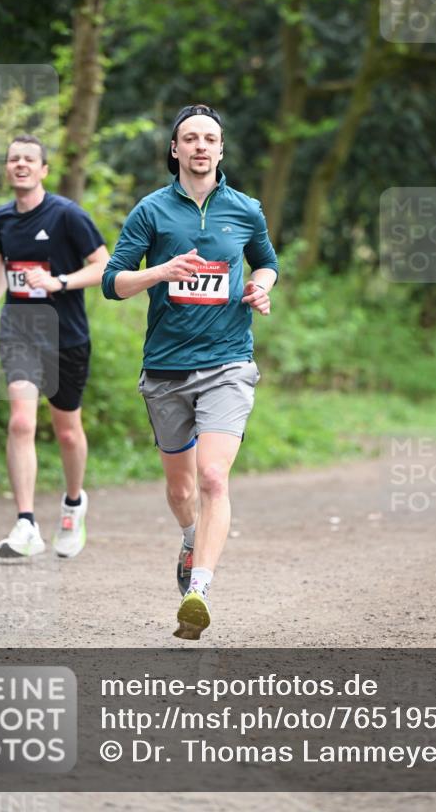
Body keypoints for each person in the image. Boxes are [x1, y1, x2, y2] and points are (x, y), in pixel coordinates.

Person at [102, 104, 278, 639]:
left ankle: (199, 590)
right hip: (166, 369)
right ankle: (188, 537)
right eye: (190, 138)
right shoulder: (152, 212)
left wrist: (262, 286)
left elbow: (266, 260)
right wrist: (161, 270)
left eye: (210, 139)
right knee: (181, 491)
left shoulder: (245, 209)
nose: (200, 146)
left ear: (221, 150)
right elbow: (113, 282)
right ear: (175, 150)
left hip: (228, 363)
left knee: (212, 477)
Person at [0, 134, 109, 561]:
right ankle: (26, 523)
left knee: (66, 431)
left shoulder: (68, 216)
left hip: (65, 336)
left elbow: (105, 265)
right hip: (18, 330)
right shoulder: (2, 218)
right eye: (14, 159)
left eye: (30, 159)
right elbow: (3, 262)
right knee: (20, 422)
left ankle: (72, 505)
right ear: (8, 168)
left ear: (44, 169)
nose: (21, 164)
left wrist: (59, 282)